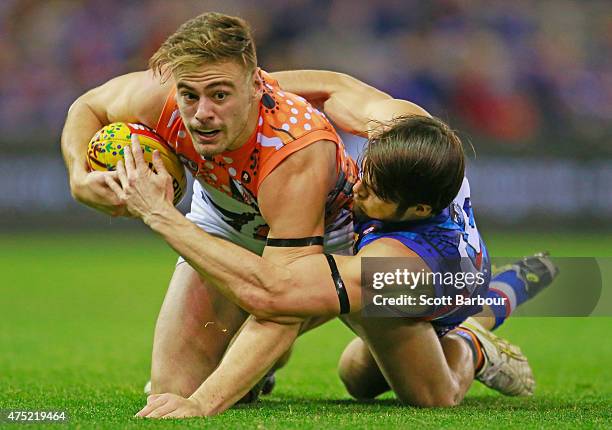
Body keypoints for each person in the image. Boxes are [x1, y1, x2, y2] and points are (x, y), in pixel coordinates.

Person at [104, 70, 558, 418]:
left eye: (375, 194)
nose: (358, 186)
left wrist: (161, 215)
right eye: (367, 170)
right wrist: (245, 96)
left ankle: (472, 342)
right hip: (380, 265)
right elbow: (333, 85)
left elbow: (279, 297)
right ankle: (517, 284)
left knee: (425, 395)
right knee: (357, 374)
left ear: (417, 211)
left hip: (438, 287)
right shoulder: (405, 130)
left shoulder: (395, 266)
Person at [61, 12, 358, 398]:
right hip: (228, 220)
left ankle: (464, 333)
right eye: (190, 96)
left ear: (255, 85)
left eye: (219, 95)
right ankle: (253, 350)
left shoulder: (293, 150)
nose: (201, 114)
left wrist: (206, 403)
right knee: (172, 389)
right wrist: (78, 177)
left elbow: (281, 297)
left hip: (339, 236)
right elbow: (87, 106)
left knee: (418, 386)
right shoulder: (160, 98)